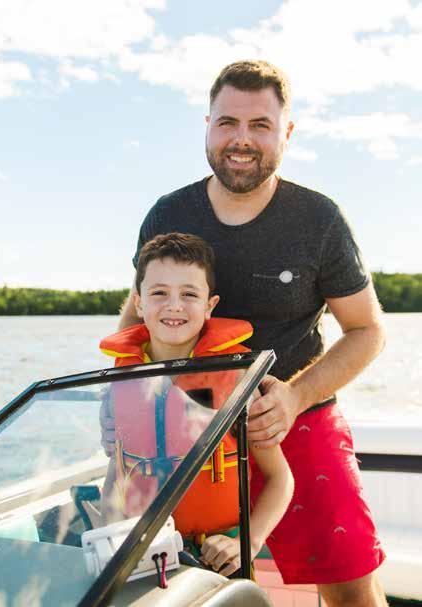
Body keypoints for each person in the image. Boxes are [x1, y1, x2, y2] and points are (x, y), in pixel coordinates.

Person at [101, 61, 388, 606]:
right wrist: (117, 402)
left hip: (296, 417)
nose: (241, 139)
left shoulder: (320, 219)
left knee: (352, 584)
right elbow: (139, 310)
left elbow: (367, 329)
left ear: (287, 132)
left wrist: (294, 396)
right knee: (178, 584)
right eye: (228, 122)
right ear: (207, 125)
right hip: (187, 427)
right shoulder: (168, 213)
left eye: (260, 125)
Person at [99, 232, 294, 577]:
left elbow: (281, 478)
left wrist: (247, 543)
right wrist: (109, 542)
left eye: (189, 294)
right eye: (159, 293)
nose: (174, 305)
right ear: (138, 303)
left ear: (209, 306)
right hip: (142, 556)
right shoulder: (121, 380)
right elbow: (117, 473)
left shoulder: (235, 380)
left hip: (219, 559)